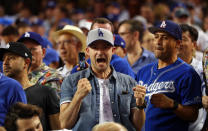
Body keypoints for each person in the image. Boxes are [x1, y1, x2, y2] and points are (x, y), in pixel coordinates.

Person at [60, 28, 146, 131]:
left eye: (105, 47)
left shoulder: (129, 82)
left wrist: (140, 105)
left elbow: (138, 126)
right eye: (95, 48)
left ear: (112, 50)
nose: (100, 52)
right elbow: (65, 123)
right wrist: (78, 96)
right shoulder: (71, 81)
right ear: (87, 51)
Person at [136, 20, 202, 131]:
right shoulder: (143, 71)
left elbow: (193, 115)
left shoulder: (187, 73)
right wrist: (139, 105)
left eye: (165, 37)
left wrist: (173, 104)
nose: (158, 42)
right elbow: (137, 120)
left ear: (178, 44)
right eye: (156, 37)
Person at [0, 42, 61, 130]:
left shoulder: (46, 92)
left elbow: (57, 129)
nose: (5, 63)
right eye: (3, 59)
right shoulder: (4, 91)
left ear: (26, 62)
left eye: (11, 58)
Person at [178, 24, 206, 131]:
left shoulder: (202, 69)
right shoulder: (162, 68)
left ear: (194, 44)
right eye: (176, 38)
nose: (178, 42)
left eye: (183, 39)